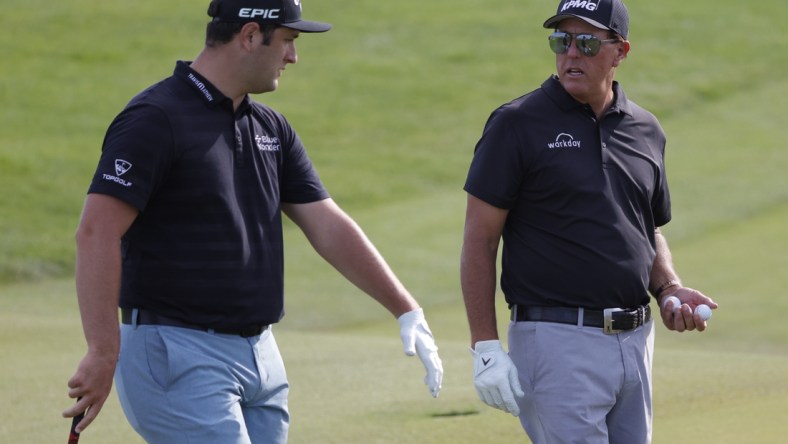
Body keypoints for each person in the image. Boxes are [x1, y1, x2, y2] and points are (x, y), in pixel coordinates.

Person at [61, 0, 443, 442]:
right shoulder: (155, 118)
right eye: (287, 41)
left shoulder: (270, 127)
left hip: (261, 353)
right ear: (248, 35)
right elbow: (96, 232)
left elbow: (327, 224)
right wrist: (103, 350)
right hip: (175, 350)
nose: (293, 57)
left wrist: (405, 308)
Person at [460, 0, 718, 442]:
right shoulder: (516, 124)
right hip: (556, 342)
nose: (571, 54)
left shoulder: (645, 129)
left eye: (586, 42)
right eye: (561, 41)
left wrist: (669, 287)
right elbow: (479, 240)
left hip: (636, 343)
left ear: (620, 51)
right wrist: (484, 345)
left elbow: (646, 228)